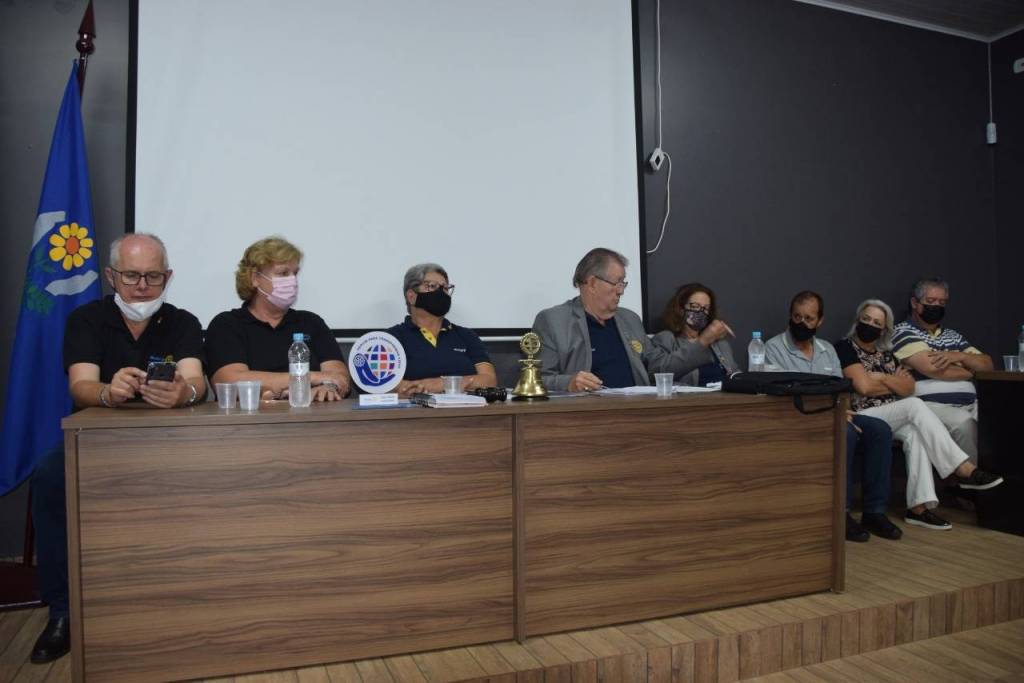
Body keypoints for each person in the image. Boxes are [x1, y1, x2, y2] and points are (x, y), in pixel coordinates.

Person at [30, 233, 206, 664]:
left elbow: (196, 381)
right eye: (131, 276)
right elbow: (81, 385)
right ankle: (63, 612)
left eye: (153, 276)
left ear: (168, 277)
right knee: (50, 476)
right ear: (111, 276)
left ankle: (191, 599)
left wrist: (183, 394)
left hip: (168, 439)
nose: (142, 286)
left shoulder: (183, 321)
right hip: (98, 437)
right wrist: (109, 391)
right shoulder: (86, 320)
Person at [834, 299, 1002, 531]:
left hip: (890, 414)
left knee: (916, 434)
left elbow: (908, 387)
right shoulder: (844, 347)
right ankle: (963, 469)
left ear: (883, 330)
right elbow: (863, 387)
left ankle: (918, 508)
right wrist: (892, 382)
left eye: (877, 323)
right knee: (914, 405)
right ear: (857, 320)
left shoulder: (886, 354)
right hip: (862, 414)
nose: (870, 325)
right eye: (866, 319)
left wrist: (880, 378)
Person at [765, 291, 901, 542]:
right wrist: (834, 415)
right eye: (797, 317)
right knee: (845, 432)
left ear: (820, 321)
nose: (802, 323)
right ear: (790, 316)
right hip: (798, 418)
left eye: (809, 318)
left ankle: (875, 511)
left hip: (834, 413)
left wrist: (841, 411)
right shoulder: (772, 348)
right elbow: (780, 393)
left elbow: (841, 389)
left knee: (879, 429)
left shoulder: (827, 349)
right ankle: (841, 513)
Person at [205, 237, 350, 401]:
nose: (293, 281)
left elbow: (339, 376)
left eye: (295, 273)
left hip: (311, 415)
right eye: (283, 273)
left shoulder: (311, 322)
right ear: (255, 278)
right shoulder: (227, 325)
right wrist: (310, 378)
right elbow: (230, 381)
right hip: (250, 417)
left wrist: (329, 387)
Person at [531, 247, 693, 391]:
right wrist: (569, 383)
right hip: (587, 411)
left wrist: (701, 346)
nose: (621, 291)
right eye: (617, 283)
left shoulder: (630, 319)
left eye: (623, 283)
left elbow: (657, 366)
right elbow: (536, 379)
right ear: (592, 283)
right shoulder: (553, 321)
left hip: (637, 408)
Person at [892, 277, 992, 460]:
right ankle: (971, 476)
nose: (936, 306)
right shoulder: (902, 331)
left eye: (942, 302)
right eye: (931, 301)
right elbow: (932, 368)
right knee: (964, 423)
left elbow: (987, 365)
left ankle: (1001, 475)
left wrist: (959, 356)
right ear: (915, 303)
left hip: (972, 403)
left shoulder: (953, 335)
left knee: (1002, 418)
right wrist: (970, 369)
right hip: (930, 406)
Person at [388, 263, 497, 396]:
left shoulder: (466, 335)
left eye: (445, 288)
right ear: (411, 296)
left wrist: (440, 384)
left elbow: (489, 380)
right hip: (416, 408)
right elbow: (380, 383)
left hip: (464, 408)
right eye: (432, 286)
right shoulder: (391, 339)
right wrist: (462, 382)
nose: (441, 293)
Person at [650, 282, 738, 386]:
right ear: (680, 309)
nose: (701, 311)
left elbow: (734, 373)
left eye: (706, 308)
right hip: (693, 396)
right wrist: (702, 341)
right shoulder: (666, 339)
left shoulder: (719, 343)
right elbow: (657, 373)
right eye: (695, 306)